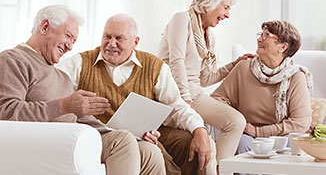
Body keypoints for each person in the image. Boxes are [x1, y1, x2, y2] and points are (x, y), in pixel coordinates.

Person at [0, 5, 163, 175]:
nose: (70, 46)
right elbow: (8, 114)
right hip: (46, 143)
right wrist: (64, 105)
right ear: (45, 27)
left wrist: (135, 135)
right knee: (122, 141)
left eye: (74, 41)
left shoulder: (60, 75)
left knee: (149, 153)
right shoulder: (12, 60)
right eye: (68, 36)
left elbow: (83, 119)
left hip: (76, 139)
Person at [57, 14, 217, 175]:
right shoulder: (79, 63)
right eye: (107, 36)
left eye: (119, 38)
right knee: (150, 151)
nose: (111, 44)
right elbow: (51, 86)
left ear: (135, 42)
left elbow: (176, 106)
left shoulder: (154, 66)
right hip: (106, 138)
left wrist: (199, 129)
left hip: (149, 135)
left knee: (201, 143)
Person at [158, 0, 253, 163]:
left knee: (235, 121)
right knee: (235, 122)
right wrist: (185, 99)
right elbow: (176, 62)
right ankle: (221, 170)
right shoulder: (181, 20)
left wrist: (234, 65)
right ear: (210, 2)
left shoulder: (208, 35)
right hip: (174, 91)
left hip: (194, 91)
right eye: (225, 7)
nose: (227, 15)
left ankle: (219, 169)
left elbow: (204, 78)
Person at [211, 20, 313, 154]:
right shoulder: (243, 67)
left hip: (282, 136)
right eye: (260, 34)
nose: (259, 39)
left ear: (282, 47)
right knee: (240, 143)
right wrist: (238, 122)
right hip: (246, 134)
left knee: (292, 144)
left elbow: (300, 123)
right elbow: (217, 99)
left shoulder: (295, 76)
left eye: (266, 35)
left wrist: (259, 131)